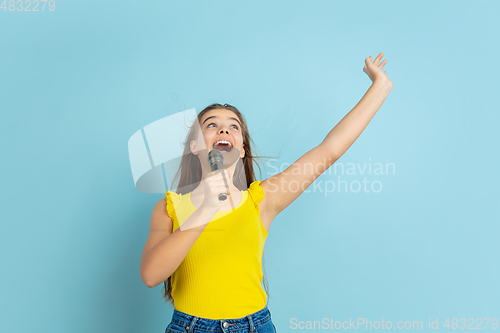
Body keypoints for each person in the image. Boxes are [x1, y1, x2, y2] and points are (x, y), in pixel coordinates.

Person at [140, 53, 393, 333]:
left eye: (233, 126)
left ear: (243, 149)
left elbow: (328, 151)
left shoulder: (261, 199)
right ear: (195, 146)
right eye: (211, 124)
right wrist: (206, 209)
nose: (224, 128)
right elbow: (151, 275)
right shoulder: (169, 208)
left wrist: (378, 87)